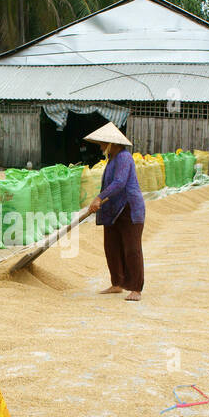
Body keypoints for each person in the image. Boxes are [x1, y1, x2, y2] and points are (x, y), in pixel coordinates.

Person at [84, 122, 145, 301]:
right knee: (112, 246)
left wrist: (99, 198)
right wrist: (100, 199)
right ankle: (117, 283)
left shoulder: (125, 157)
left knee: (132, 248)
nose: (101, 147)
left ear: (113, 144)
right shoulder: (112, 160)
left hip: (129, 208)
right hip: (113, 209)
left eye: (103, 143)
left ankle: (136, 288)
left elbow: (119, 183)